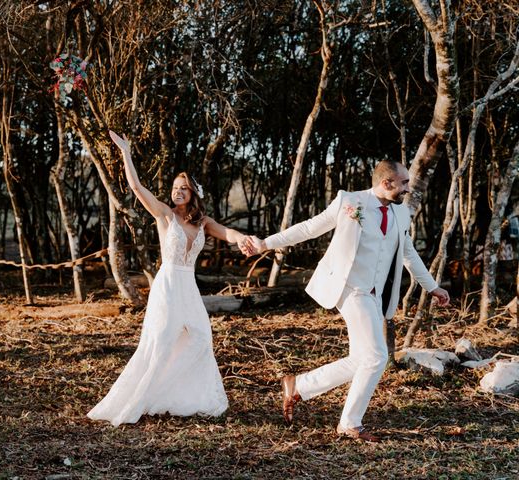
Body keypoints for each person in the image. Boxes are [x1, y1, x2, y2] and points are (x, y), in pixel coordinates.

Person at [244, 160, 450, 442]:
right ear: (386, 182)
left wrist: (433, 287)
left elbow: (408, 253)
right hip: (350, 288)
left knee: (362, 358)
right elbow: (309, 228)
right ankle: (350, 423)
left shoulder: (402, 213)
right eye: (403, 182)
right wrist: (265, 243)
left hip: (375, 293)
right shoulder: (350, 202)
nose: (407, 187)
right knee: (377, 356)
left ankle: (298, 386)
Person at [88, 130, 249, 426]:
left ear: (193, 194)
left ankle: (179, 395)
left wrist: (243, 239)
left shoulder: (203, 223)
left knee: (200, 338)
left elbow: (228, 233)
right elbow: (136, 187)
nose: (177, 192)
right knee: (161, 341)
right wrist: (125, 151)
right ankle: (140, 398)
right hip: (167, 285)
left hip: (189, 286)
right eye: (175, 188)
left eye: (183, 188)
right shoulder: (164, 215)